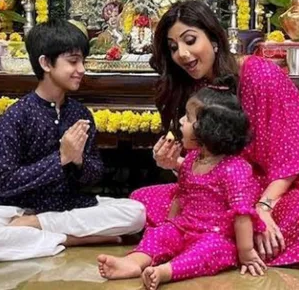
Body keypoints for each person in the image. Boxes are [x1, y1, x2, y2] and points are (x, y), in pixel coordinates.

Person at [131, 0, 299, 266]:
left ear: (214, 38)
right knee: (143, 200)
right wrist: (172, 164)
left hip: (280, 186)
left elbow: (295, 152)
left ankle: (211, 244)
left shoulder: (260, 73)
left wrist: (264, 207)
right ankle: (227, 244)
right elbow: (206, 168)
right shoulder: (193, 87)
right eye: (174, 47)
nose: (183, 54)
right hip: (225, 191)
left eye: (190, 40)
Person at [0, 20, 146, 262]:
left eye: (82, 61)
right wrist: (60, 159)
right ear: (45, 63)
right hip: (16, 207)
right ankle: (71, 239)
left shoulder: (80, 115)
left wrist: (78, 162)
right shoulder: (15, 117)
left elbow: (94, 175)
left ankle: (35, 227)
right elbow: (3, 182)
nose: (82, 69)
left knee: (135, 213)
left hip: (66, 205)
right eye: (73, 61)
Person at [98, 78, 266, 290]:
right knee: (159, 234)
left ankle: (165, 271)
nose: (180, 121)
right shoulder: (191, 160)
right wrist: (170, 226)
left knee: (210, 251)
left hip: (217, 236)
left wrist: (246, 251)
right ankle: (133, 263)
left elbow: (242, 213)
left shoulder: (234, 168)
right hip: (184, 227)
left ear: (208, 129)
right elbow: (181, 194)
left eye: (188, 118)